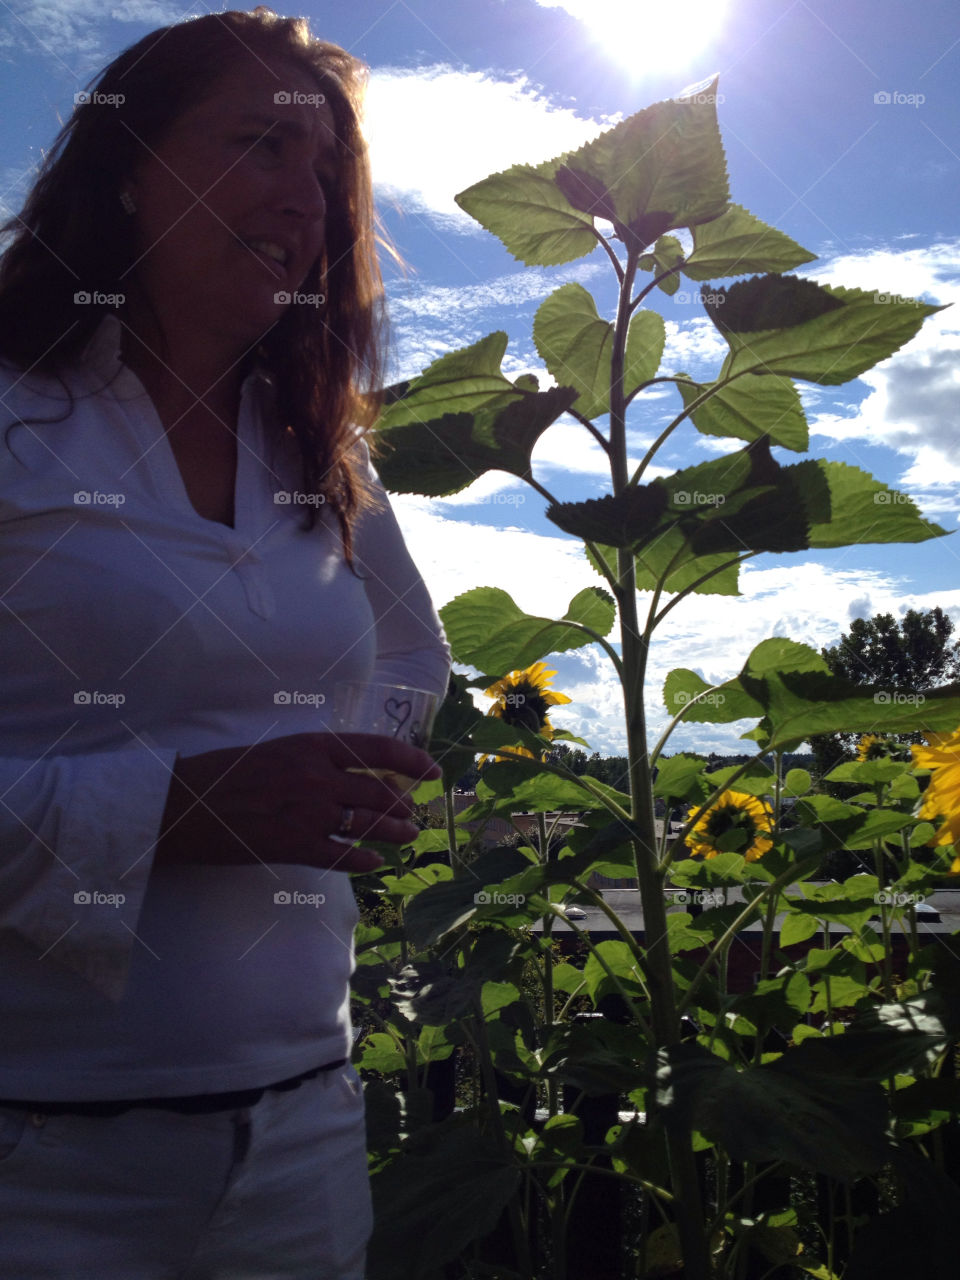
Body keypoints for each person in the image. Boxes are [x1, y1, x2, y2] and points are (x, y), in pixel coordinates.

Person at [0, 8, 450, 1278]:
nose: (304, 199)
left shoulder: (321, 448)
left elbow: (413, 660)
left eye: (325, 173)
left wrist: (356, 768)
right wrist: (174, 808)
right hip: (38, 1162)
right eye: (260, 145)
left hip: (302, 1136)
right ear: (126, 168)